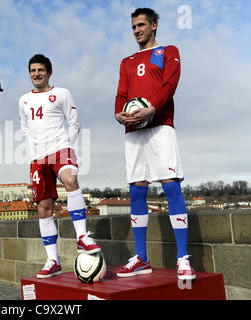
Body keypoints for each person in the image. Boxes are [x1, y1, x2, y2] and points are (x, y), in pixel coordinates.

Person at [114, 8, 196, 280]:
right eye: (133, 27)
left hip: (160, 126)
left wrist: (153, 109)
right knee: (136, 190)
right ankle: (141, 258)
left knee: (170, 185)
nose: (136, 30)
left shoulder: (169, 51)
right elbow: (121, 94)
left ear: (154, 25)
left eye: (140, 25)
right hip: (133, 131)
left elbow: (170, 85)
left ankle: (183, 258)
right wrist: (118, 114)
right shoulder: (126, 61)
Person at [19, 54, 100, 279]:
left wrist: (68, 147)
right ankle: (52, 260)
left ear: (49, 73)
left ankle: (82, 237)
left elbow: (74, 121)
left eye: (41, 70)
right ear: (29, 73)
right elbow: (25, 127)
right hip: (37, 158)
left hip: (60, 150)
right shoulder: (23, 100)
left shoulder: (61, 94)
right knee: (44, 208)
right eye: (33, 70)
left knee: (70, 180)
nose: (37, 74)